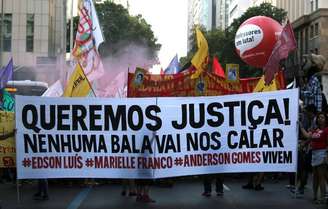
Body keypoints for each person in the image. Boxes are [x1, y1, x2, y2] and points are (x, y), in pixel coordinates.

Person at [300, 112, 328, 204]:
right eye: (319, 117)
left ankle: (322, 197)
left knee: (321, 177)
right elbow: (308, 136)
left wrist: (326, 155)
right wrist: (301, 127)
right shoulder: (315, 129)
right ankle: (315, 196)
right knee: (315, 176)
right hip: (314, 154)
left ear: (325, 119)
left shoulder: (327, 130)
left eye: (322, 117)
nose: (320, 119)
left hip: (322, 153)